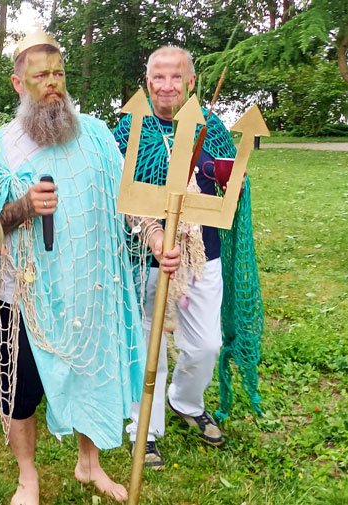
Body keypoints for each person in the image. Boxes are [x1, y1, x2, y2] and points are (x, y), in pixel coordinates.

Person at [0, 32, 181, 503]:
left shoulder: (96, 135)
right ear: (18, 83)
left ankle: (89, 464)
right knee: (19, 390)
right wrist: (24, 207)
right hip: (21, 293)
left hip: (87, 285)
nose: (53, 83)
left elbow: (128, 201)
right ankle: (27, 477)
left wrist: (154, 238)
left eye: (59, 73)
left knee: (91, 372)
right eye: (40, 75)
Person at [112, 46, 264, 469]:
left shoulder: (211, 129)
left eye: (175, 77)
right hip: (144, 257)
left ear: (191, 82)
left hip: (202, 254)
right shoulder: (130, 130)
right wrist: (153, 235)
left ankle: (185, 400)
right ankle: (144, 428)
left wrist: (230, 180)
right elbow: (119, 192)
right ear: (147, 82)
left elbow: (226, 179)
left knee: (205, 345)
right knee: (148, 345)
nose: (166, 86)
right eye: (157, 77)